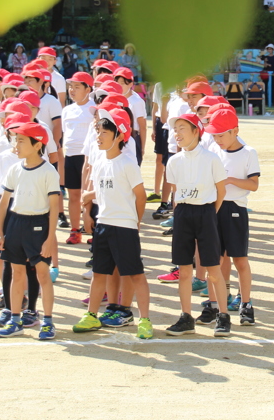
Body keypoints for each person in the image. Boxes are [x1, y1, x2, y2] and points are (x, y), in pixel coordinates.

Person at [73, 108, 152, 338]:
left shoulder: (127, 163)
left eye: (103, 132)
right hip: (103, 225)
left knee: (136, 274)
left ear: (118, 136)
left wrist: (135, 221)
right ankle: (91, 316)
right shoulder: (99, 162)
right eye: (97, 131)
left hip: (124, 226)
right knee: (100, 273)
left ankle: (145, 320)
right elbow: (100, 192)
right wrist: (88, 213)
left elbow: (141, 195)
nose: (98, 136)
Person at [163, 112, 231, 337]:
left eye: (182, 128)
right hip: (182, 212)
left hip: (206, 212)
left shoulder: (211, 158)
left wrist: (210, 213)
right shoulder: (173, 161)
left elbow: (221, 190)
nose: (177, 133)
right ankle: (185, 317)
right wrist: (180, 212)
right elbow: (175, 191)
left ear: (196, 132)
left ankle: (223, 316)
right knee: (184, 269)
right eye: (176, 129)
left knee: (213, 268)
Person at [0, 122, 61, 340]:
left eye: (21, 140)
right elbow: (3, 204)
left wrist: (50, 238)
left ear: (37, 144)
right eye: (16, 139)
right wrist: (0, 233)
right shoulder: (15, 168)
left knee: (42, 275)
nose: (16, 144)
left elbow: (54, 207)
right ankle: (15, 320)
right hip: (16, 225)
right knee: (17, 274)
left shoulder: (49, 171)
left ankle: (48, 322)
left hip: (38, 226)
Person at [206, 107, 260, 326]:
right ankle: (217, 303)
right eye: (214, 135)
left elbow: (254, 185)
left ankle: (246, 304)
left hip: (236, 209)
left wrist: (230, 180)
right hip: (214, 208)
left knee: (240, 259)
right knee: (216, 260)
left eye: (221, 134)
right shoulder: (214, 152)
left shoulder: (248, 152)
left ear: (235, 131)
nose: (217, 139)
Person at [61, 71, 96, 244]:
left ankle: (93, 231)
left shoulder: (94, 109)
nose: (72, 90)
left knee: (88, 195)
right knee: (73, 195)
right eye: (70, 87)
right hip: (70, 156)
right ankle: (75, 230)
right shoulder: (67, 110)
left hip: (88, 158)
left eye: (76, 87)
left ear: (88, 89)